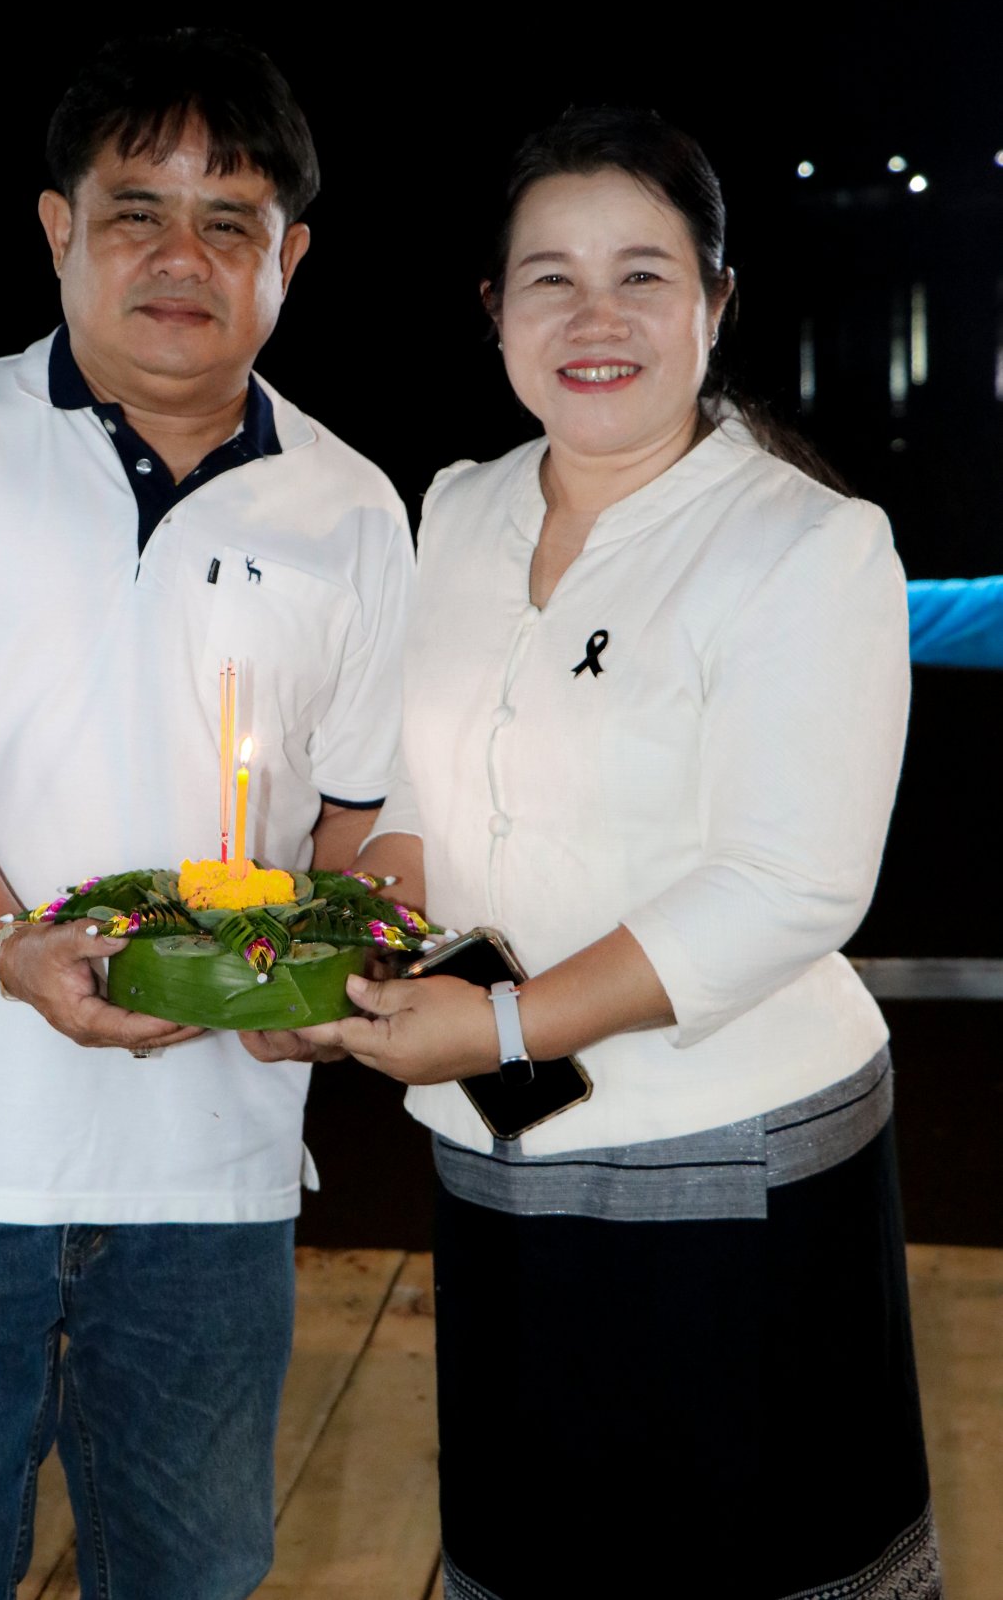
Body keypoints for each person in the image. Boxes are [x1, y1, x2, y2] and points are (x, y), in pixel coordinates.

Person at [247, 106, 937, 1598]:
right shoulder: (459, 507)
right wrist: (345, 953)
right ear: (495, 310)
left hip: (734, 1155)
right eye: (550, 278)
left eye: (643, 274)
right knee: (535, 1545)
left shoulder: (809, 544)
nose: (595, 316)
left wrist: (501, 1022)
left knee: (744, 1556)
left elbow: (793, 884)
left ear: (716, 304)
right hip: (498, 1147)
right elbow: (419, 803)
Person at [0, 29, 414, 1600]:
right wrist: (13, 944)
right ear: (59, 228)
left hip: (213, 1185)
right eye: (137, 211)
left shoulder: (353, 506)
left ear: (290, 259)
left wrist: (349, 968)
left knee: (195, 1580)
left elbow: (356, 831)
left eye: (230, 221)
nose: (181, 255)